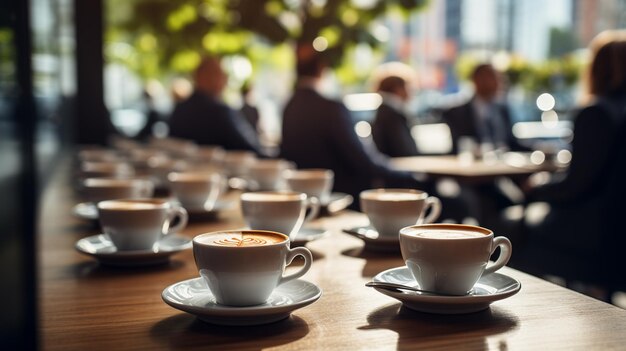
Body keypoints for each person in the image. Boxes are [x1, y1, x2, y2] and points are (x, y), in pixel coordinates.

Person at [514, 30, 626, 297]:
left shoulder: (597, 112)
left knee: (507, 225)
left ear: (596, 68)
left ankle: (535, 307)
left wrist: (538, 187)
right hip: (617, 226)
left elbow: (576, 187)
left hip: (596, 227)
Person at [280, 46, 425, 208]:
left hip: (304, 197)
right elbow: (362, 160)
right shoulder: (331, 108)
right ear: (322, 68)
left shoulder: (288, 108)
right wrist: (407, 175)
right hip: (344, 198)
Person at [168, 57, 266, 155]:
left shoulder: (179, 110)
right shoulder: (221, 112)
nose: (225, 79)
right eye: (220, 74)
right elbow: (251, 148)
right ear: (202, 77)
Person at [442, 63, 528, 154]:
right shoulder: (456, 114)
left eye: (499, 79)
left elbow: (512, 144)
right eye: (492, 78)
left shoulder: (503, 110)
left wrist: (538, 150)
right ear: (476, 80)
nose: (498, 83)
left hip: (504, 165)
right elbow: (457, 148)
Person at [371, 70, 419, 157]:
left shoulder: (387, 111)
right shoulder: (391, 114)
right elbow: (403, 150)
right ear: (398, 90)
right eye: (407, 88)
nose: (410, 93)